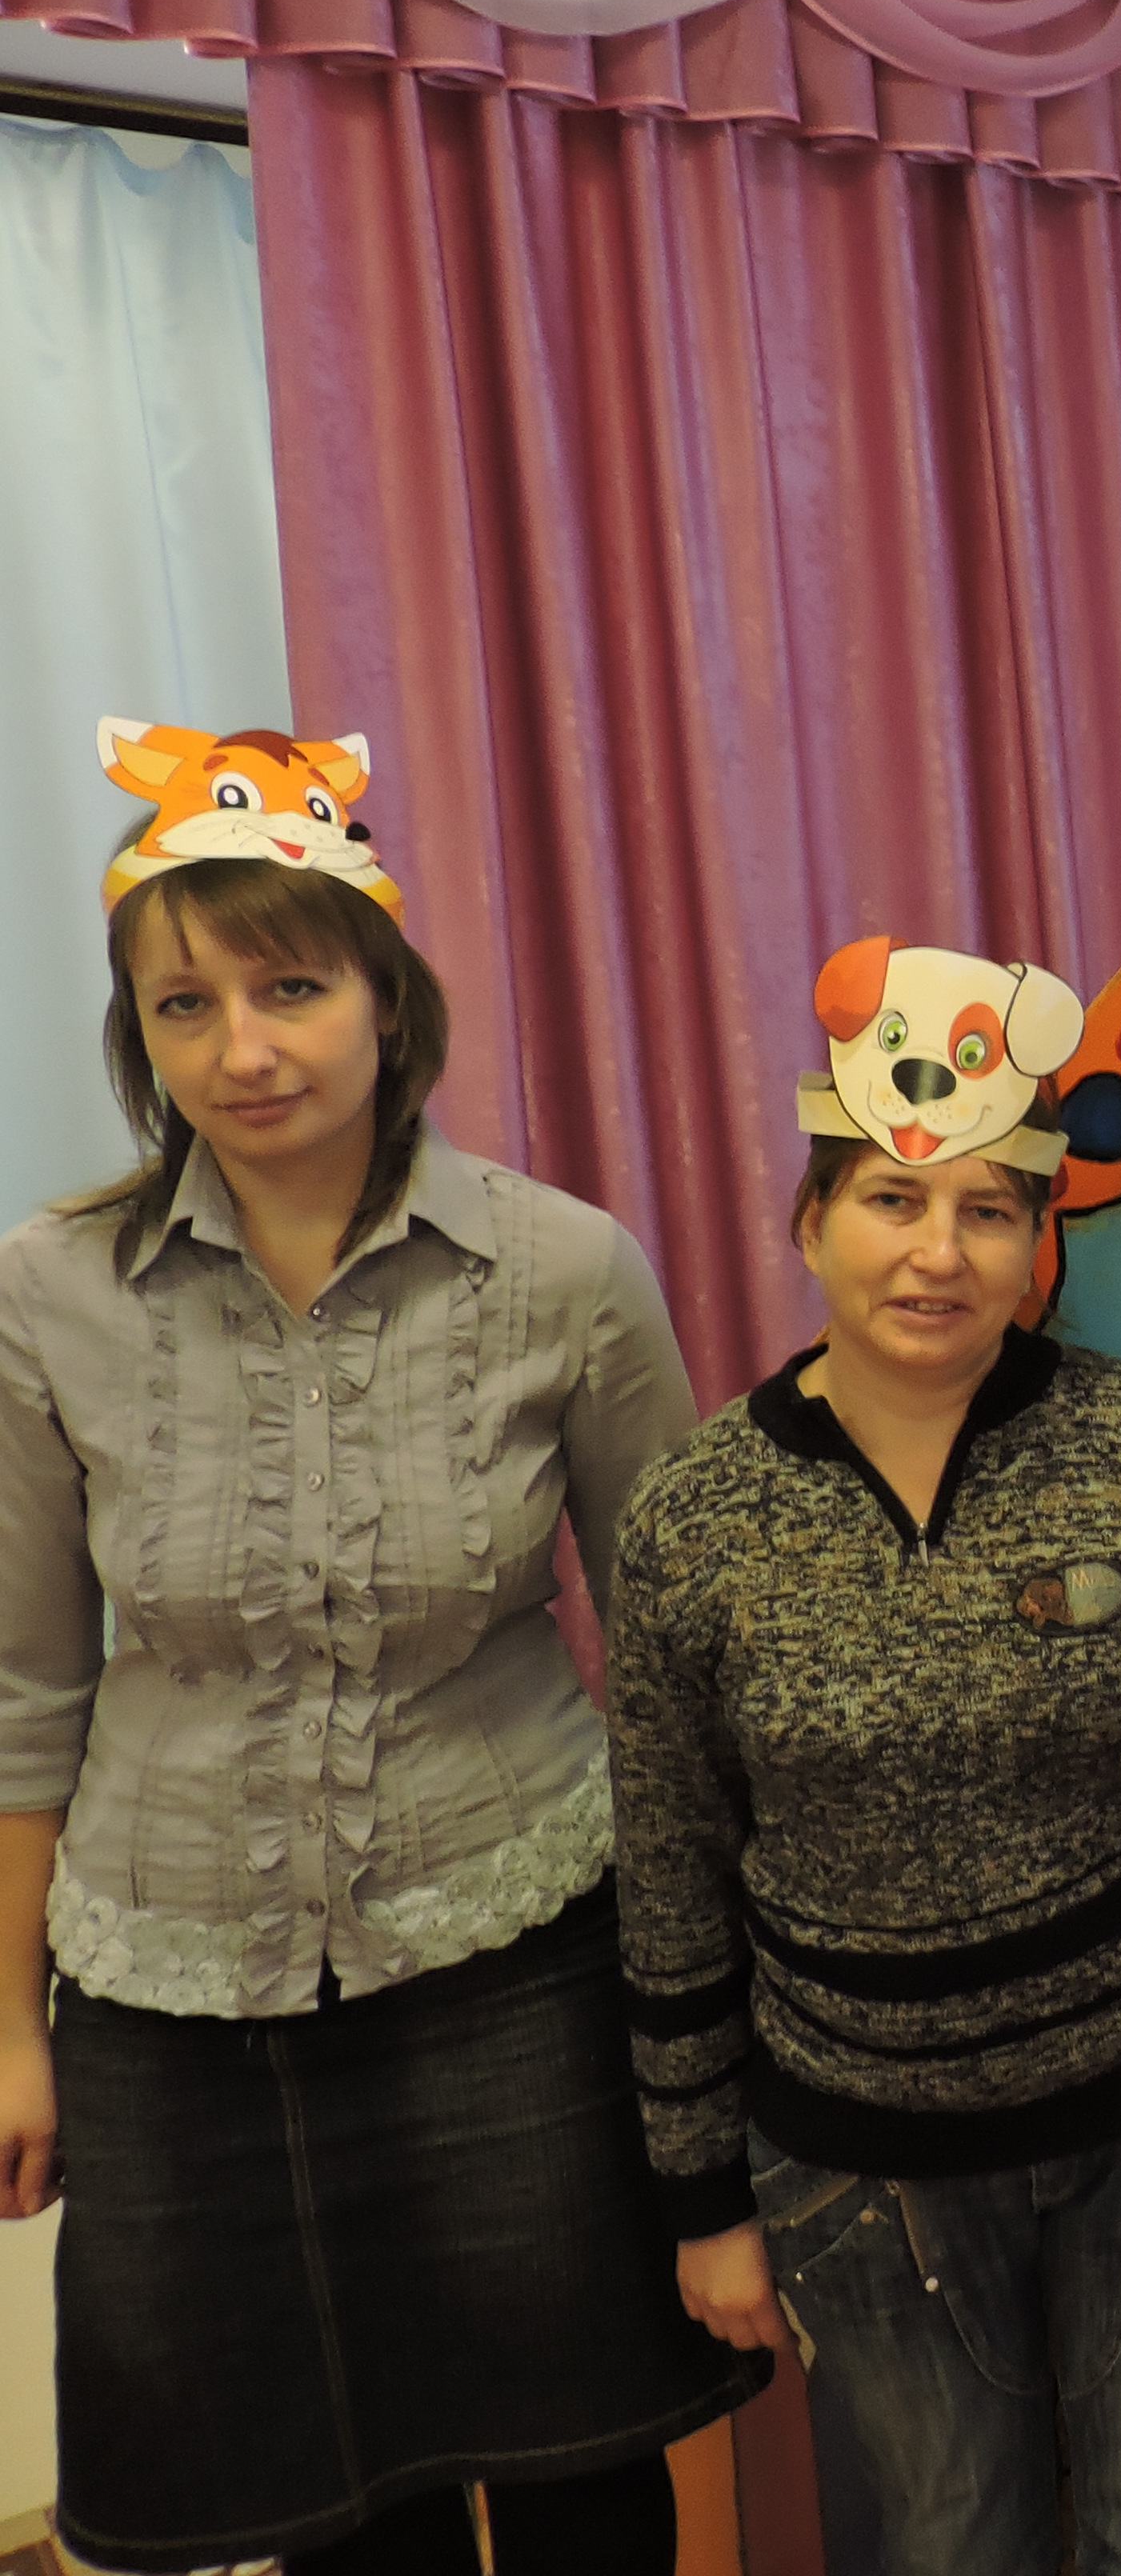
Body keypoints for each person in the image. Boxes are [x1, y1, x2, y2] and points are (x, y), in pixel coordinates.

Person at [0, 722, 759, 2573]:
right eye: (184, 1008)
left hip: (514, 1953)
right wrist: (8, 2029)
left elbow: (681, 1667)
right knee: (328, 2504)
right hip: (172, 1991)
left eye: (291, 989)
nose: (243, 1050)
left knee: (580, 2473)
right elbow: (25, 1696)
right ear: (139, 1039)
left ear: (386, 1000)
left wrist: (716, 2004)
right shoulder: (46, 1294)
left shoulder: (565, 1270)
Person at [607, 936, 1121, 2576]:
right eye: (894, 1201)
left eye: (989, 1211)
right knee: (951, 2544)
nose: (938, 1253)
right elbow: (673, 1874)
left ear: (1038, 1245)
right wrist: (701, 2195)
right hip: (859, 2163)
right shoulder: (694, 1519)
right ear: (810, 1222)